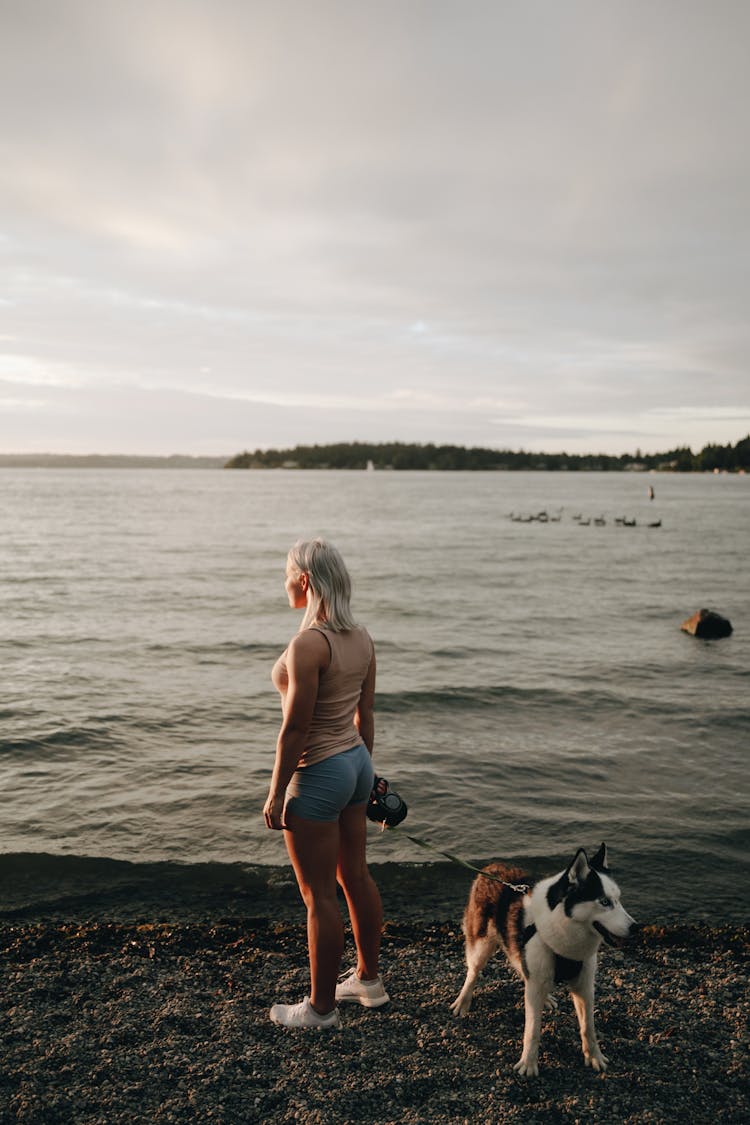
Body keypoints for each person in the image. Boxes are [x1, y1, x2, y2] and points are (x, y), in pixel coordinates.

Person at [264, 538, 388, 1028]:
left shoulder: (309, 644)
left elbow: (295, 729)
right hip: (356, 762)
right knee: (354, 875)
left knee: (318, 894)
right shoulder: (361, 637)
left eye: (288, 572)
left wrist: (276, 792)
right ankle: (368, 981)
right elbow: (366, 714)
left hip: (319, 771)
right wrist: (368, 777)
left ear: (307, 581)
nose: (285, 581)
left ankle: (320, 1009)